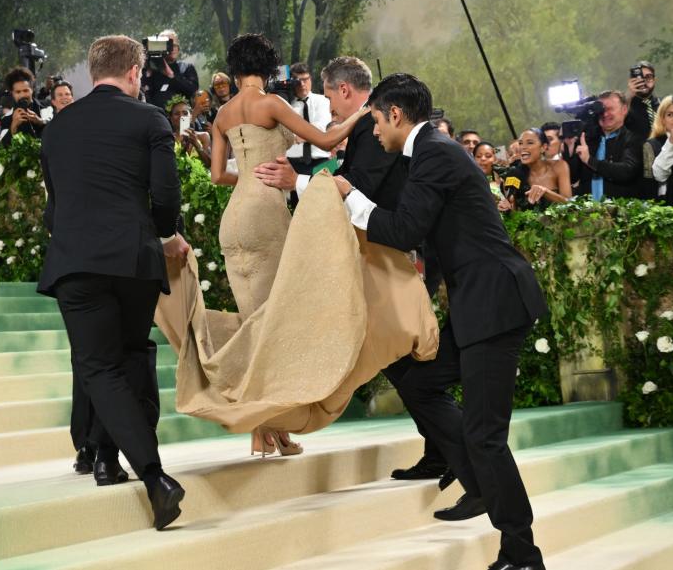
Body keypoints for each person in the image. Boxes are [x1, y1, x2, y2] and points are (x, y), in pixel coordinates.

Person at [153, 36, 437, 459]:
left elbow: (216, 176)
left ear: (233, 70)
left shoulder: (224, 114)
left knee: (256, 320)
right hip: (266, 218)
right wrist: (364, 110)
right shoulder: (269, 103)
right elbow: (326, 141)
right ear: (268, 69)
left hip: (233, 222)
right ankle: (265, 426)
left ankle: (267, 429)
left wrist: (250, 176)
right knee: (273, 326)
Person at [333, 72, 548, 570]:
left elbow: (406, 228)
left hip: (494, 305)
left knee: (485, 435)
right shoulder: (429, 152)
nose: (374, 133)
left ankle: (522, 554)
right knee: (420, 379)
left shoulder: (434, 152)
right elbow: (427, 234)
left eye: (374, 121)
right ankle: (478, 486)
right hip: (480, 304)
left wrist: (349, 196)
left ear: (393, 114)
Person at [253, 54, 452, 486]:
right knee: (399, 358)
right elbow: (346, 178)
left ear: (345, 89)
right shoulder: (366, 125)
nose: (330, 107)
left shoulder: (369, 126)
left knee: (403, 356)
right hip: (387, 253)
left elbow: (357, 185)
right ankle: (443, 449)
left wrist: (298, 183)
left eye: (328, 95)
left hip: (398, 253)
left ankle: (451, 449)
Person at [37, 34, 188, 530]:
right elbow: (166, 194)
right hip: (134, 259)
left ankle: (149, 474)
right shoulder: (149, 118)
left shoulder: (57, 128)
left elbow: (54, 207)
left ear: (91, 71)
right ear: (135, 72)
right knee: (124, 358)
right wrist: (165, 234)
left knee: (101, 366)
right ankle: (112, 460)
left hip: (77, 260)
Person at [572, 90, 646, 200]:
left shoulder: (634, 139)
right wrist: (569, 147)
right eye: (601, 110)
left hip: (620, 212)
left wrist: (589, 160)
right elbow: (572, 177)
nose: (605, 114)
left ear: (624, 110)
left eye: (610, 109)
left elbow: (626, 171)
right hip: (588, 213)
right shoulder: (587, 140)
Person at [499, 128, 572, 212]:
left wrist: (546, 192)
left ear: (543, 147)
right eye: (520, 143)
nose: (523, 147)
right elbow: (515, 211)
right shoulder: (514, 174)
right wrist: (506, 209)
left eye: (530, 143)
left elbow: (570, 204)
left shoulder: (559, 166)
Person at [285, 62, 333, 175]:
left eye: (305, 79)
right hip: (293, 162)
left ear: (310, 79)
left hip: (321, 160)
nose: (302, 84)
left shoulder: (324, 100)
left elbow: (321, 127)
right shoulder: (285, 106)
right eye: (298, 81)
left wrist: (295, 137)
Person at [142, 29, 199, 110]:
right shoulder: (151, 70)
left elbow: (192, 90)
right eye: (168, 45)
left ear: (178, 48)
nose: (172, 48)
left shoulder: (185, 67)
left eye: (174, 45)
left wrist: (171, 75)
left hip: (183, 118)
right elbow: (144, 96)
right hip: (158, 118)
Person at [0, 66, 45, 147]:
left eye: (25, 90)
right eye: (18, 92)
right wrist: (13, 128)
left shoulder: (47, 109)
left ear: (32, 90)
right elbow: (3, 149)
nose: (22, 95)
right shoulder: (6, 119)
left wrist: (40, 122)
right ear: (12, 93)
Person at [166, 94, 211, 167]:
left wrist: (197, 145)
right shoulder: (168, 139)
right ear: (171, 118)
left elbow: (209, 164)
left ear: (190, 116)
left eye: (185, 113)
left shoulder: (203, 136)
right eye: (177, 114)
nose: (181, 116)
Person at [625, 61, 659, 140]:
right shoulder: (626, 104)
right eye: (638, 78)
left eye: (648, 77)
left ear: (654, 80)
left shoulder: (663, 105)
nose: (643, 81)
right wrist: (628, 95)